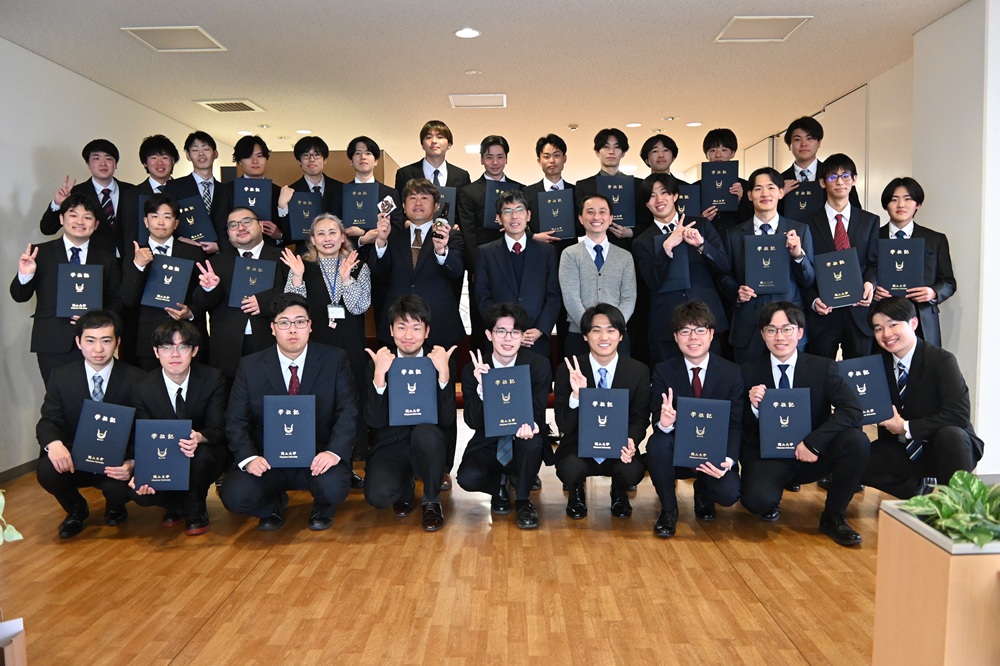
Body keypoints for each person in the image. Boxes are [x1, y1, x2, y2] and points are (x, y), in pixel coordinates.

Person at [220, 293, 358, 531]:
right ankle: (272, 506)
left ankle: (322, 507)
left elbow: (348, 411)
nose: (293, 329)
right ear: (273, 328)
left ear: (310, 326)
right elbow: (235, 420)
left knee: (334, 488)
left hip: (317, 456)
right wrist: (249, 458)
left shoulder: (335, 359)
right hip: (268, 459)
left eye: (300, 322)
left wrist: (333, 452)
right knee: (234, 495)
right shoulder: (250, 366)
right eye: (284, 322)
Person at [740, 302, 869, 547]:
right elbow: (739, 424)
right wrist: (754, 407)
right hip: (768, 457)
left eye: (787, 329)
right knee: (757, 501)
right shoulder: (747, 371)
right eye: (771, 330)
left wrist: (814, 442)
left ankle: (834, 515)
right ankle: (771, 498)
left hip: (812, 454)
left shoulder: (823, 367)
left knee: (856, 441)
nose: (779, 337)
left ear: (800, 332)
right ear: (762, 334)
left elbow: (852, 410)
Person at [34, 310, 145, 538]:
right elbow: (49, 419)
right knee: (47, 470)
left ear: (117, 342)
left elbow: (144, 427)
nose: (98, 349)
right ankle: (76, 509)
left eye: (106, 341)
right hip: (76, 459)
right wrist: (54, 444)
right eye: (90, 341)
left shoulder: (138, 379)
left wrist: (133, 463)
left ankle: (115, 506)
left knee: (119, 488)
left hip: (117, 462)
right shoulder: (61, 376)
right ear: (78, 342)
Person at [281, 212, 372, 487]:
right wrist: (297, 278)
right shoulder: (301, 266)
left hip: (351, 346)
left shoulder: (358, 266)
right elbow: (292, 310)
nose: (327, 238)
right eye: (321, 233)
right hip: (315, 348)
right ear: (312, 239)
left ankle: (346, 464)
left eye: (333, 232)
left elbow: (359, 307)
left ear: (343, 236)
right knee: (319, 405)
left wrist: (346, 279)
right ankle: (313, 465)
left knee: (350, 404)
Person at [863, 297, 983, 497]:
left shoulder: (941, 360)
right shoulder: (876, 365)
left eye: (893, 325)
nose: (887, 334)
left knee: (951, 434)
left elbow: (958, 416)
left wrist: (906, 427)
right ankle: (915, 489)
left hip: (947, 447)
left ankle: (955, 504)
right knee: (854, 461)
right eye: (878, 329)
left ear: (913, 323)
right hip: (903, 447)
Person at [645, 301, 743, 537]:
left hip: (714, 455)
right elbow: (657, 416)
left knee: (729, 493)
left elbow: (735, 423)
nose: (693, 338)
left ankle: (704, 494)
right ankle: (669, 509)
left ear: (711, 334)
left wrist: (728, 460)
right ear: (676, 336)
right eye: (685, 331)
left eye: (700, 330)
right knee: (657, 443)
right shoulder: (663, 370)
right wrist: (665, 423)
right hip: (678, 453)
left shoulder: (731, 372)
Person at [363, 295, 457, 531]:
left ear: (427, 332)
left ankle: (431, 499)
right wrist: (379, 376)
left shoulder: (439, 359)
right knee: (378, 496)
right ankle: (404, 485)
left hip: (429, 441)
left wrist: (444, 375)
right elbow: (374, 421)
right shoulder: (380, 361)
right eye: (401, 327)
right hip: (392, 442)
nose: (408, 335)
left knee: (426, 434)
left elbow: (447, 418)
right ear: (391, 330)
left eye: (416, 328)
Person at [129, 320, 229, 535]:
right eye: (167, 347)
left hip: (204, 451)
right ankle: (175, 504)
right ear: (156, 352)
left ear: (194, 351)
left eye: (183, 347)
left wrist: (199, 437)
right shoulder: (142, 387)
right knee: (139, 492)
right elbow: (144, 436)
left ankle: (196, 509)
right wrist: (143, 469)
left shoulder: (212, 378)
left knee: (202, 456)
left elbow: (218, 427)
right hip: (163, 453)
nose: (175, 355)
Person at [11, 194, 123, 384]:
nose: (80, 222)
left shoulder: (107, 258)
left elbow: (117, 299)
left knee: (94, 396)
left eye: (87, 217)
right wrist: (25, 275)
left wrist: (96, 317)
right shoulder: (40, 253)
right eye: (73, 215)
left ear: (96, 224)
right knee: (57, 396)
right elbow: (19, 296)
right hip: (52, 341)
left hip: (95, 342)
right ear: (62, 219)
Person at [554, 304, 650, 520]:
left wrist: (631, 440)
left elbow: (639, 418)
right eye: (596, 330)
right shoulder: (569, 369)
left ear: (621, 335)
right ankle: (576, 492)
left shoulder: (638, 371)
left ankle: (619, 491)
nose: (604, 337)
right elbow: (564, 425)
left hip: (619, 445)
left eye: (611, 330)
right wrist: (577, 395)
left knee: (632, 471)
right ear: (585, 336)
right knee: (570, 468)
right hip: (578, 445)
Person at [459, 303, 551, 529]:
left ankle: (523, 500)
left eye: (515, 332)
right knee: (467, 478)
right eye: (501, 331)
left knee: (532, 443)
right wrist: (483, 389)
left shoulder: (538, 365)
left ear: (522, 336)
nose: (508, 338)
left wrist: (531, 424)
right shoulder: (474, 369)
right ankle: (500, 484)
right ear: (489, 334)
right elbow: (471, 421)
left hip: (523, 438)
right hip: (488, 441)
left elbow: (539, 410)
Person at [719, 167, 816, 362]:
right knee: (748, 379)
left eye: (771, 188)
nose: (765, 194)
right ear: (749, 195)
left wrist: (798, 255)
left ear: (781, 192)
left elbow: (808, 280)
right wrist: (737, 291)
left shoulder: (799, 231)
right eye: (758, 189)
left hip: (788, 324)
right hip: (748, 326)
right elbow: (723, 275)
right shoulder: (733, 234)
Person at [633, 173, 730, 365]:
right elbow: (652, 281)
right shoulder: (641, 241)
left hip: (706, 319)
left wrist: (701, 245)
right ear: (646, 204)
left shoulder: (701, 225)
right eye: (651, 196)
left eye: (664, 193)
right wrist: (666, 248)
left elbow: (724, 266)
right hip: (666, 324)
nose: (659, 200)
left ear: (675, 196)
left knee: (713, 376)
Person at [191, 207, 289, 383]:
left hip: (271, 343)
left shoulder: (284, 257)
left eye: (246, 221)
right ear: (228, 234)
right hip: (228, 349)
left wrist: (265, 301)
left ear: (260, 226)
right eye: (233, 225)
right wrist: (209, 289)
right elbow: (200, 304)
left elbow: (297, 293)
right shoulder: (216, 263)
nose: (241, 228)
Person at [370, 178, 465, 349]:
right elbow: (378, 274)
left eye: (425, 198)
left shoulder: (451, 237)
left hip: (439, 325)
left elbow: (457, 272)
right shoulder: (392, 237)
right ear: (404, 206)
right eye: (412, 198)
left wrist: (441, 251)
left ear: (436, 206)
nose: (418, 203)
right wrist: (381, 241)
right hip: (398, 327)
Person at [802, 154, 879, 360]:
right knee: (821, 372)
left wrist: (870, 283)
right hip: (823, 312)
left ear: (854, 180)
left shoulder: (870, 221)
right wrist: (813, 300)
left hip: (859, 311)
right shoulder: (806, 224)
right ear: (822, 182)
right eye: (832, 177)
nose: (839, 182)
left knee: (859, 373)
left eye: (845, 176)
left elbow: (873, 262)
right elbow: (803, 269)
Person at [119, 193, 208, 370]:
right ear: (146, 222)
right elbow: (127, 299)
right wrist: (138, 266)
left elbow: (204, 296)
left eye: (167, 217)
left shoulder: (193, 253)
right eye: (155, 216)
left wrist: (191, 312)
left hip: (185, 337)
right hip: (145, 339)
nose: (161, 222)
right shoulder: (133, 254)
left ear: (176, 223)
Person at [475, 190, 561, 358]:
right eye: (507, 211)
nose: (514, 216)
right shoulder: (485, 252)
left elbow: (553, 296)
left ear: (528, 215)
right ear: (499, 218)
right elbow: (482, 296)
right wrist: (503, 331)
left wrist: (540, 329)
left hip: (536, 339)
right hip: (500, 341)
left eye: (519, 210)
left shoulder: (547, 252)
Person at [874, 177, 955, 347]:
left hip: (921, 317)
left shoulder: (935, 239)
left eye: (908, 199)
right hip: (882, 318)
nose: (901, 205)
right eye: (894, 199)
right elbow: (862, 275)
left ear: (918, 204)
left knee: (925, 362)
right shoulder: (872, 238)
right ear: (886, 205)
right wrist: (872, 290)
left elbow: (948, 282)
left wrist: (933, 292)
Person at [558, 193, 637, 359]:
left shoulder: (625, 256)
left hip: (617, 336)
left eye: (602, 212)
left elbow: (629, 297)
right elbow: (571, 297)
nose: (596, 217)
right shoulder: (570, 254)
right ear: (581, 218)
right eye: (590, 212)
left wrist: (612, 328)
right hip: (579, 334)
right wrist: (591, 328)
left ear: (610, 218)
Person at [522, 133, 578, 359]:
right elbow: (515, 227)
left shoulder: (577, 192)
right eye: (546, 156)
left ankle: (566, 372)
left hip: (570, 265)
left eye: (557, 155)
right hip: (537, 266)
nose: (552, 160)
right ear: (539, 160)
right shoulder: (527, 193)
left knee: (567, 322)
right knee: (538, 321)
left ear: (565, 158)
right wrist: (533, 236)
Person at [39, 138, 134, 257]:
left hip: (129, 260)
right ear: (88, 164)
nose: (103, 163)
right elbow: (47, 229)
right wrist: (58, 204)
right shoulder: (75, 193)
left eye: (108, 158)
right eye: (96, 158)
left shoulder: (132, 191)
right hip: (92, 259)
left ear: (115, 164)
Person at [573, 128, 651, 249]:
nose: (611, 152)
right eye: (606, 147)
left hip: (630, 249)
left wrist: (631, 232)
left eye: (617, 147)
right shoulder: (584, 186)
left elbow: (648, 221)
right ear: (597, 152)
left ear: (623, 152)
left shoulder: (638, 185)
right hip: (595, 249)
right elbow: (578, 226)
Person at [213, 135, 286, 246]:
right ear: (239, 161)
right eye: (248, 156)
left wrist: (279, 235)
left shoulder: (278, 192)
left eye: (260, 156)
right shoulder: (226, 190)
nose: (255, 161)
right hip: (235, 252)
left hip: (270, 252)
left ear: (266, 159)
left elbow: (288, 230)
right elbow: (221, 228)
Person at [119, 134, 180, 264]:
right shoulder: (131, 195)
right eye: (153, 157)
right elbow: (129, 235)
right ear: (145, 163)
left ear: (173, 161)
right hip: (143, 261)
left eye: (165, 157)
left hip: (179, 260)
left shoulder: (185, 191)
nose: (160, 162)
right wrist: (133, 265)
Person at [778, 116, 861, 212]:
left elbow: (856, 212)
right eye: (797, 139)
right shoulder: (779, 181)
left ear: (819, 142)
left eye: (809, 138)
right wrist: (777, 195)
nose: (804, 144)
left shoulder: (837, 176)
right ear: (789, 145)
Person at [164, 130, 223, 256]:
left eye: (206, 149)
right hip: (186, 254)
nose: (201, 154)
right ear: (188, 156)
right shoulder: (174, 187)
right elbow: (166, 218)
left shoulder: (226, 190)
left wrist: (220, 245)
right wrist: (179, 238)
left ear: (215, 154)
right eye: (195, 150)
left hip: (220, 257)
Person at [276, 135, 344, 234]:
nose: (311, 159)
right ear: (299, 161)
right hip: (304, 243)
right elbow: (287, 232)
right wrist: (282, 207)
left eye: (317, 154)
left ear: (324, 159)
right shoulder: (291, 192)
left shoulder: (341, 188)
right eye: (306, 155)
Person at [696, 128, 754, 235]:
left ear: (733, 153)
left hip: (737, 241)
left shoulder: (747, 186)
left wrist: (740, 201)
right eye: (712, 150)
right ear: (706, 155)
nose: (718, 155)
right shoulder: (696, 188)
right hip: (705, 241)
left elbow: (754, 222)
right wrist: (701, 220)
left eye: (724, 150)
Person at [393, 120, 472, 192]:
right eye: (429, 137)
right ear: (422, 145)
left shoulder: (462, 176)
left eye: (440, 137)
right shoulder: (405, 174)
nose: (434, 141)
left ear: (449, 144)